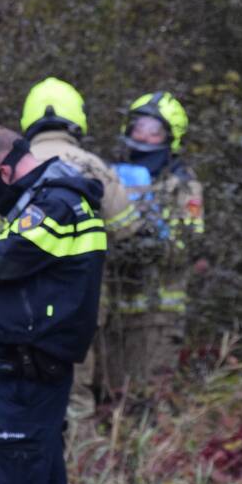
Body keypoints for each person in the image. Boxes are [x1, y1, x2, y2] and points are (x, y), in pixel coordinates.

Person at [0, 126, 106, 484]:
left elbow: (3, 259)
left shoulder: (54, 204)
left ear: (5, 171)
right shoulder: (51, 198)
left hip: (31, 368)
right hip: (33, 363)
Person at [0, 77, 139, 412]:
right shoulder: (93, 165)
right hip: (78, 302)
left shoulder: (11, 167)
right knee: (73, 392)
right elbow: (126, 227)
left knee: (20, 395)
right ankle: (79, 445)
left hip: (20, 304)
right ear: (77, 117)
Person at [105, 92, 205, 390]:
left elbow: (188, 242)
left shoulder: (182, 185)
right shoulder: (112, 176)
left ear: (170, 137)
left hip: (158, 313)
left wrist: (149, 240)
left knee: (151, 392)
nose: (143, 136)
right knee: (112, 393)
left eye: (154, 131)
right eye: (138, 127)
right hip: (115, 309)